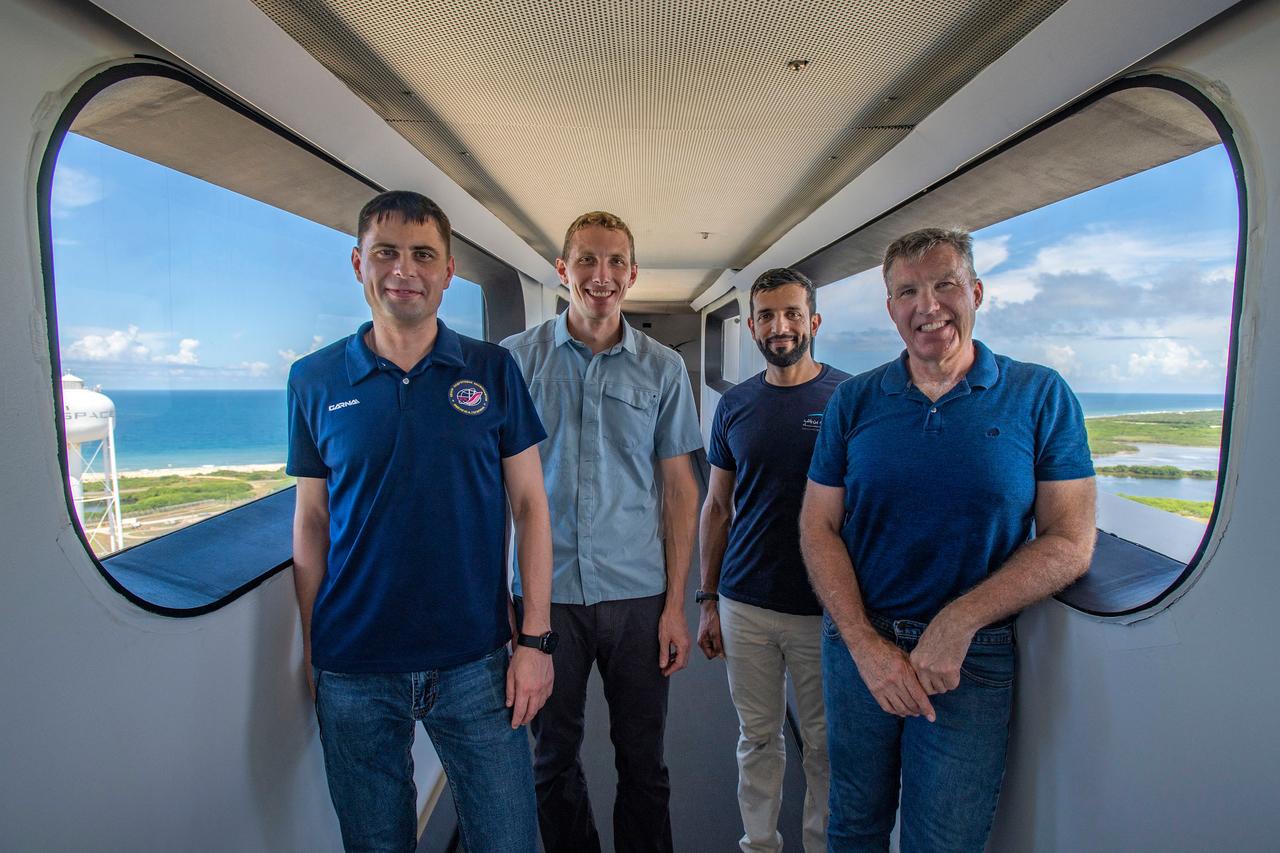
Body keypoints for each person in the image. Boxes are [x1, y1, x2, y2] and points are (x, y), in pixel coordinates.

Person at [799, 227, 1097, 853]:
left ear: (976, 292)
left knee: (945, 840)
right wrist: (862, 642)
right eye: (907, 291)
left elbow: (1070, 539)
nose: (927, 305)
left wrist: (960, 620)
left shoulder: (1039, 395)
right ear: (890, 309)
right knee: (853, 825)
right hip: (859, 646)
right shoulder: (854, 400)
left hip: (973, 656)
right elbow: (818, 525)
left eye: (945, 285)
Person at [288, 190, 554, 853]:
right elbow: (312, 521)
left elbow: (530, 504)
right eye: (386, 252)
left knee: (511, 840)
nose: (402, 269)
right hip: (354, 667)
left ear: (448, 271)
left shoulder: (492, 369)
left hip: (478, 658)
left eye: (421, 254)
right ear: (358, 263)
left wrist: (536, 641)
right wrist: (311, 647)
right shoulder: (313, 380)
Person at [501, 211, 703, 853]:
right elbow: (495, 492)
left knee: (644, 764)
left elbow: (679, 491)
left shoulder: (663, 368)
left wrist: (676, 607)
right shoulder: (516, 361)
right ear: (563, 271)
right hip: (545, 596)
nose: (601, 275)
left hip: (637, 596)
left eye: (615, 262)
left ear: (632, 274)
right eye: (586, 260)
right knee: (551, 761)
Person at [697, 268, 848, 853]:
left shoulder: (846, 398)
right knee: (757, 737)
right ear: (752, 326)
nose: (778, 326)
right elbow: (716, 506)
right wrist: (707, 600)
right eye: (765, 315)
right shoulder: (735, 405)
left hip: (821, 606)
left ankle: (819, 845)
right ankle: (759, 843)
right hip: (745, 602)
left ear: (812, 321)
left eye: (790, 314)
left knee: (824, 744)